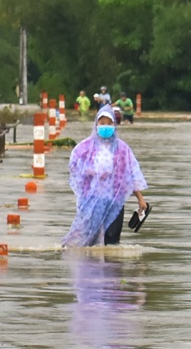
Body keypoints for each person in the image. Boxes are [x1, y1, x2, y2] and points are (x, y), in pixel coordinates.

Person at [62, 105, 148, 246]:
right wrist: (89, 171)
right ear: (96, 124)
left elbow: (131, 175)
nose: (106, 127)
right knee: (89, 240)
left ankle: (112, 266)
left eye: (109, 123)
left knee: (112, 240)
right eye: (102, 123)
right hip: (92, 201)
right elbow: (74, 166)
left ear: (115, 125)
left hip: (114, 200)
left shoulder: (122, 149)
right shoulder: (85, 147)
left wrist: (140, 199)